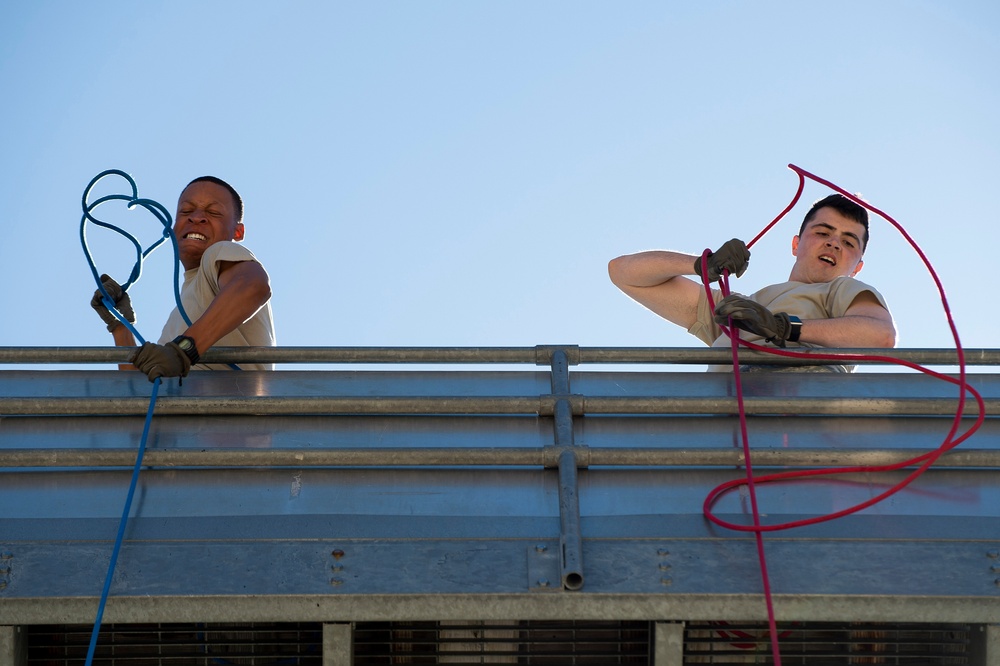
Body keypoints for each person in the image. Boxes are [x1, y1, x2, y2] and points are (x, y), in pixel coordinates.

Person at [608, 194, 896, 372]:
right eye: (823, 232)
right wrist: (702, 265)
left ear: (857, 267)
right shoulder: (739, 310)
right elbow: (624, 273)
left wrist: (783, 327)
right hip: (730, 425)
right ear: (796, 244)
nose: (834, 243)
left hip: (803, 414)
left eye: (848, 242)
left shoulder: (842, 290)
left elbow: (880, 336)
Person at [91, 176, 276, 380]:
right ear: (173, 226)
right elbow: (142, 388)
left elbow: (253, 286)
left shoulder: (219, 253)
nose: (196, 218)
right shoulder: (176, 320)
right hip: (183, 410)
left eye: (213, 212)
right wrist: (120, 326)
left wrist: (184, 351)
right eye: (186, 211)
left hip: (229, 409)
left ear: (238, 231)